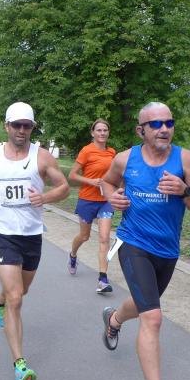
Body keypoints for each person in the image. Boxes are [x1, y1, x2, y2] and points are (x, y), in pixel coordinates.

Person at [100, 102, 190, 380]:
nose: (164, 129)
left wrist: (184, 190)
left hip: (167, 250)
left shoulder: (186, 160)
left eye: (169, 123)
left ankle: (114, 319)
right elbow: (106, 182)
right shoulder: (125, 159)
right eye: (156, 124)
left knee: (143, 303)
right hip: (133, 243)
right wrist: (111, 197)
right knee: (153, 316)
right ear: (141, 130)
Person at [0, 102, 69, 380]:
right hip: (3, 233)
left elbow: (63, 187)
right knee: (16, 297)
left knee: (20, 291)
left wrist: (45, 198)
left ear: (32, 128)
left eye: (27, 126)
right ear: (7, 126)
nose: (21, 130)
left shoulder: (42, 156)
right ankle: (20, 364)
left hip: (32, 234)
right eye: (16, 125)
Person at [67, 118, 117, 293]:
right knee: (84, 236)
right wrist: (91, 181)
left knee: (104, 238)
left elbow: (115, 174)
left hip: (106, 201)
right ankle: (73, 255)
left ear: (108, 133)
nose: (102, 133)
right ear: (93, 133)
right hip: (87, 200)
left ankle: (102, 279)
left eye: (105, 130)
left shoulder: (112, 152)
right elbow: (72, 175)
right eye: (99, 130)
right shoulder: (86, 150)